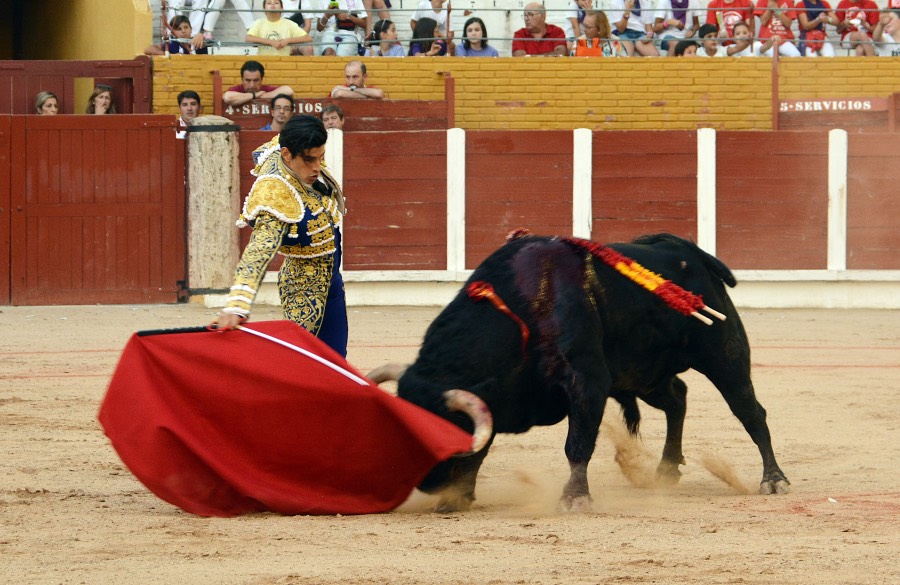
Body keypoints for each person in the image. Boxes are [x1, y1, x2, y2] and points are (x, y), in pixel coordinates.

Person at [212, 115, 348, 357]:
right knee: (302, 365)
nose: (317, 167)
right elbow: (259, 250)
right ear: (287, 155)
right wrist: (237, 305)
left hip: (332, 279)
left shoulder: (285, 147)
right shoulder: (274, 194)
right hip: (304, 288)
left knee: (336, 362)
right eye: (309, 160)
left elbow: (273, 143)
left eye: (321, 157)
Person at [246, 0, 313, 56]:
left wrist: (288, 41)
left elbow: (308, 38)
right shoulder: (259, 23)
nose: (272, 4)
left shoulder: (289, 24)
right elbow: (248, 38)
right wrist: (270, 42)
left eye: (276, 3)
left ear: (282, 8)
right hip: (264, 62)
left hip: (283, 63)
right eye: (269, 3)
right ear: (264, 9)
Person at [223, 60, 294, 108]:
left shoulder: (265, 89)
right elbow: (227, 98)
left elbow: (288, 91)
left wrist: (262, 96)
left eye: (256, 80)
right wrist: (255, 95)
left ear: (262, 79)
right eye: (248, 80)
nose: (252, 85)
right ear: (242, 79)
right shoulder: (237, 89)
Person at [145, 14, 210, 55]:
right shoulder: (172, 45)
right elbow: (148, 49)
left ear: (191, 29)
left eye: (186, 27)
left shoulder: (198, 41)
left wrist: (201, 35)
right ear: (172, 33)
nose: (183, 31)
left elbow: (210, 39)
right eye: (179, 29)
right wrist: (168, 54)